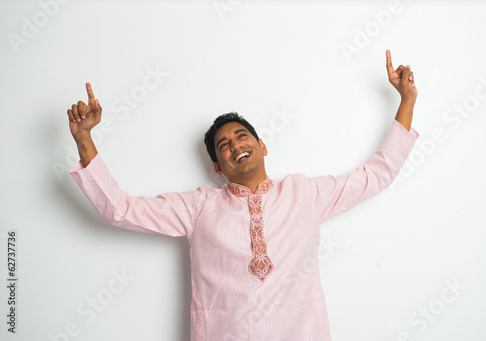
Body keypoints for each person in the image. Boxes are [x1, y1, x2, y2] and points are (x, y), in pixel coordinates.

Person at [67, 50, 419, 340]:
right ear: (218, 167)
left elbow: (376, 175)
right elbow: (121, 210)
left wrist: (407, 100)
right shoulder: (198, 207)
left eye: (242, 136)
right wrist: (85, 139)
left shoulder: (304, 193)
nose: (235, 145)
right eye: (223, 145)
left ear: (262, 145)